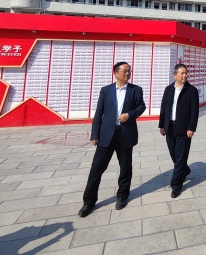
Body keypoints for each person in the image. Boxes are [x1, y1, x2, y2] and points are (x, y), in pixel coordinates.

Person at [79, 62, 146, 217]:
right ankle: (89, 201)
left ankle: (122, 196)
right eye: (124, 71)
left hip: (125, 134)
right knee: (96, 169)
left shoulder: (136, 90)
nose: (127, 73)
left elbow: (141, 107)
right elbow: (99, 113)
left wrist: (129, 115)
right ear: (115, 73)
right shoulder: (106, 90)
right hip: (106, 135)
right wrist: (94, 134)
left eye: (129, 71)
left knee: (125, 168)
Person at [159, 64, 199, 198]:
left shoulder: (191, 90)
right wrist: (162, 125)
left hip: (184, 128)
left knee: (181, 157)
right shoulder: (169, 89)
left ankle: (176, 185)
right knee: (174, 155)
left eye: (186, 73)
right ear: (175, 75)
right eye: (182, 73)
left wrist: (191, 128)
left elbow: (194, 112)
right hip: (169, 127)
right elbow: (163, 108)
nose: (185, 75)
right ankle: (185, 170)